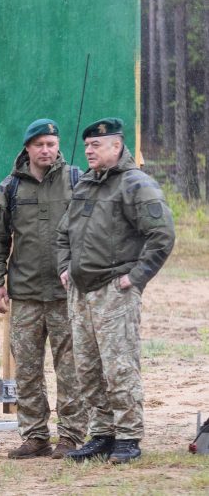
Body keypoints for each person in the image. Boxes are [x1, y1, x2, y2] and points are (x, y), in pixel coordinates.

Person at [56, 117, 175, 464]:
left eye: (97, 145)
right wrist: (65, 266)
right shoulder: (85, 185)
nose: (89, 150)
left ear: (117, 145)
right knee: (88, 367)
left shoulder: (136, 184)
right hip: (81, 290)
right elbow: (64, 232)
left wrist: (136, 277)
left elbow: (162, 235)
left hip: (114, 289)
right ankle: (102, 433)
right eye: (88, 145)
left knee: (119, 366)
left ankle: (128, 436)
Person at [0, 118, 87, 460]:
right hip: (25, 294)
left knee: (70, 369)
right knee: (26, 370)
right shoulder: (10, 187)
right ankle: (35, 436)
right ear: (27, 148)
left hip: (66, 295)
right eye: (40, 144)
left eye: (52, 144)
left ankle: (71, 436)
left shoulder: (76, 180)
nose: (47, 150)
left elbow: (94, 229)